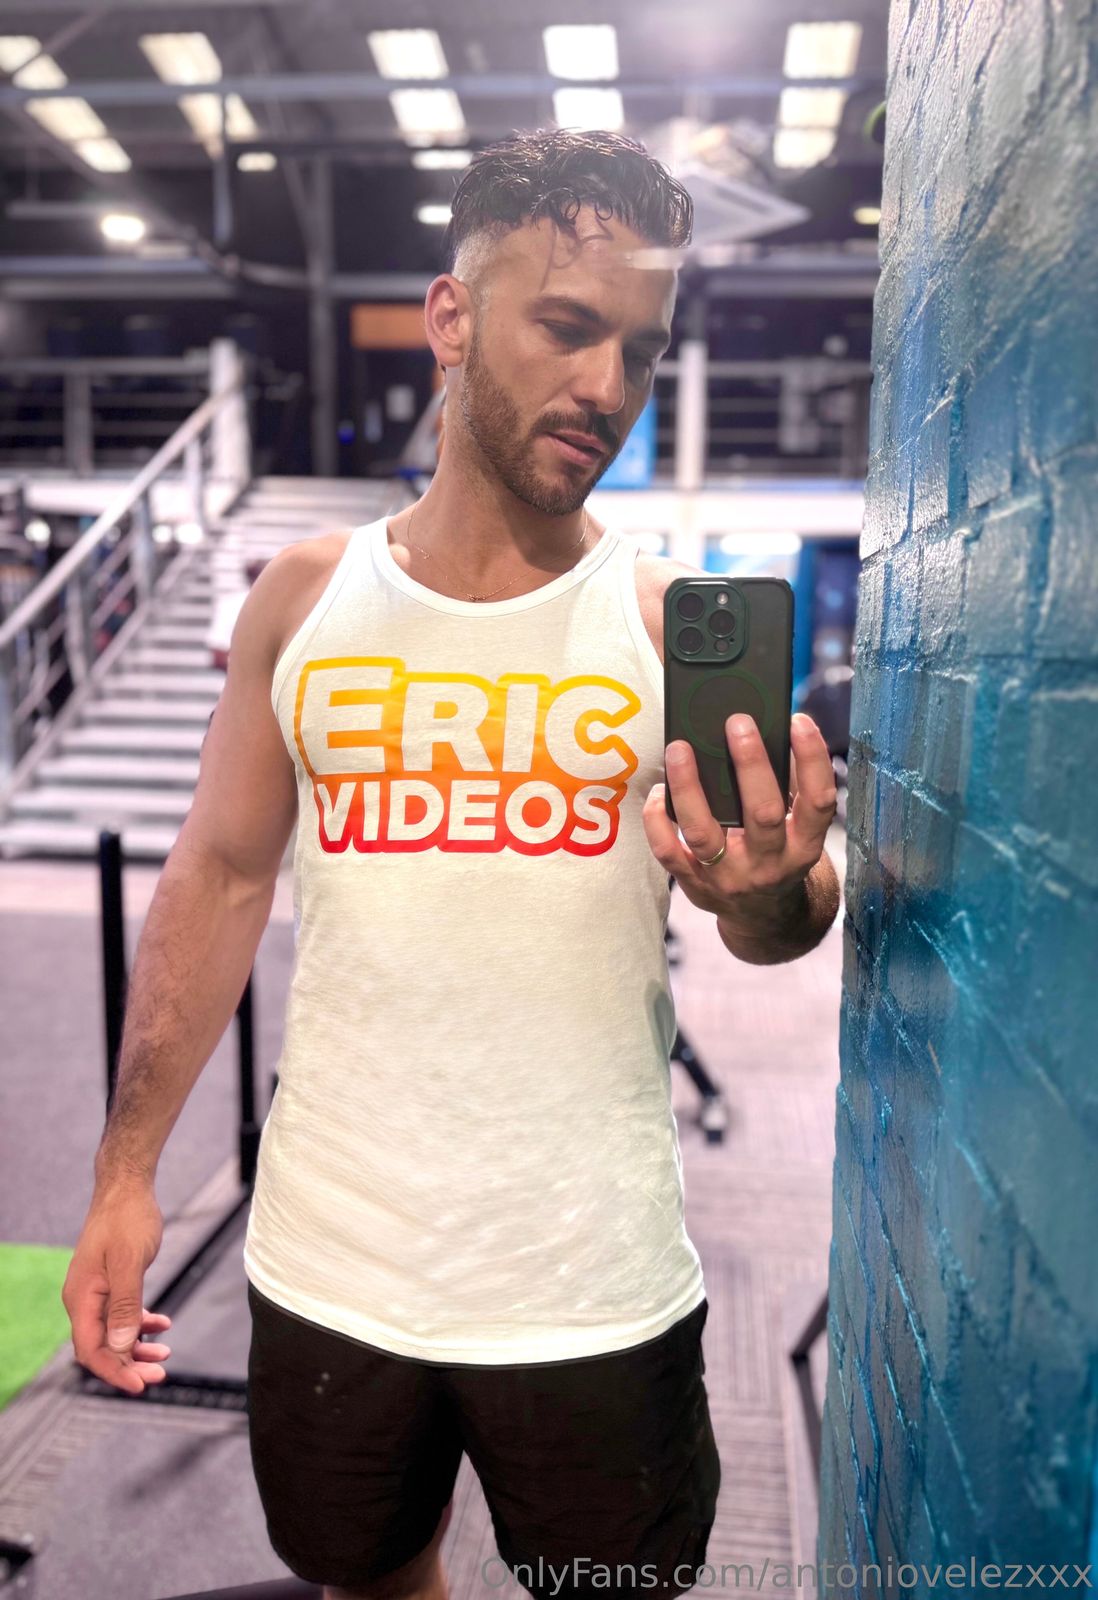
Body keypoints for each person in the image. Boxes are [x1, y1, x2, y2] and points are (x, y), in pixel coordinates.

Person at [62, 128, 841, 1600]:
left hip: (592, 1281)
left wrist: (772, 894)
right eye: (567, 326)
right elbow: (219, 876)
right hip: (333, 1266)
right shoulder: (304, 600)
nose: (605, 386)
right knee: (369, 1582)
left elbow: (775, 921)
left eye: (639, 349)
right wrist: (125, 1173)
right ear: (451, 316)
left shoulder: (667, 627)